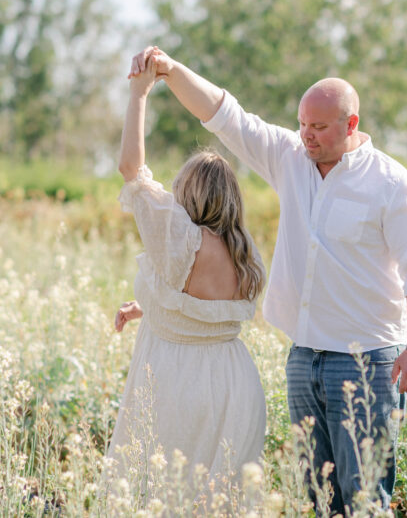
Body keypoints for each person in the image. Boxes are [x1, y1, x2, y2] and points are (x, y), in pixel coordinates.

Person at [129, 46, 407, 515]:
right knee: (320, 499)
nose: (307, 136)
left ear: (350, 125)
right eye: (302, 125)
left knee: (364, 501)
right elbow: (225, 115)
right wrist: (171, 71)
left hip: (366, 363)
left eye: (318, 128)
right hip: (303, 360)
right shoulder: (290, 158)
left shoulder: (392, 184)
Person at [106, 55, 267, 496]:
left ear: (186, 192)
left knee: (162, 492)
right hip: (234, 384)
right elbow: (201, 308)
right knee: (219, 500)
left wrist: (139, 94)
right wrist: (148, 307)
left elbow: (131, 170)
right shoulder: (245, 250)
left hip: (179, 379)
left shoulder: (178, 235)